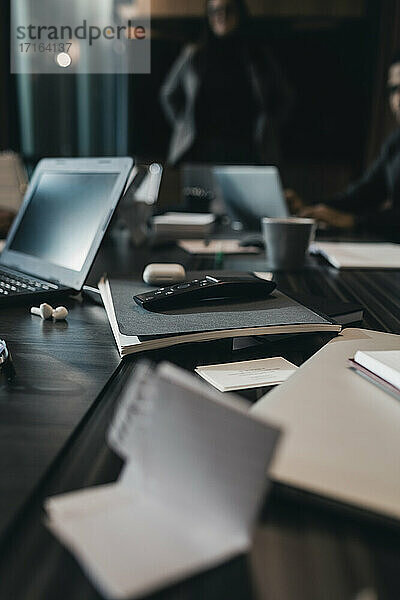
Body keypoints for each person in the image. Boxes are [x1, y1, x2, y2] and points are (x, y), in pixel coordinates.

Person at [160, 0, 293, 166]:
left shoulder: (258, 55)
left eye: (228, 10)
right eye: (214, 11)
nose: (221, 16)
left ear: (240, 14)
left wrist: (269, 127)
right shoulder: (194, 54)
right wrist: (185, 124)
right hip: (200, 152)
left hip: (249, 152)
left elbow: (284, 96)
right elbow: (168, 94)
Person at [290, 52, 400, 237]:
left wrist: (355, 222)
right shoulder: (396, 142)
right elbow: (364, 194)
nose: (397, 99)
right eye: (394, 89)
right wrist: (309, 208)